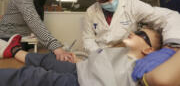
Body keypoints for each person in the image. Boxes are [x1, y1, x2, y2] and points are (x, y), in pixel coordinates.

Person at [0, 27, 176, 86]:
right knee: (50, 58)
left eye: (141, 34)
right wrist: (78, 59)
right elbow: (99, 63)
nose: (133, 32)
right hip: (80, 68)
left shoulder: (143, 65)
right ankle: (13, 51)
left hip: (82, 83)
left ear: (149, 50)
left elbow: (164, 76)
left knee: (32, 76)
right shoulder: (120, 50)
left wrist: (172, 50)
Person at [82, 0, 180, 53]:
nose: (111, 3)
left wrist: (171, 46)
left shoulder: (132, 4)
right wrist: (99, 53)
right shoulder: (90, 12)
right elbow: (88, 38)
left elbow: (171, 16)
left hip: (125, 54)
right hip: (100, 55)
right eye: (104, 0)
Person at [0, 0, 74, 62]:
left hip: (22, 39)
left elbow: (36, 22)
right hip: (8, 40)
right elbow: (33, 20)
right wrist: (56, 47)